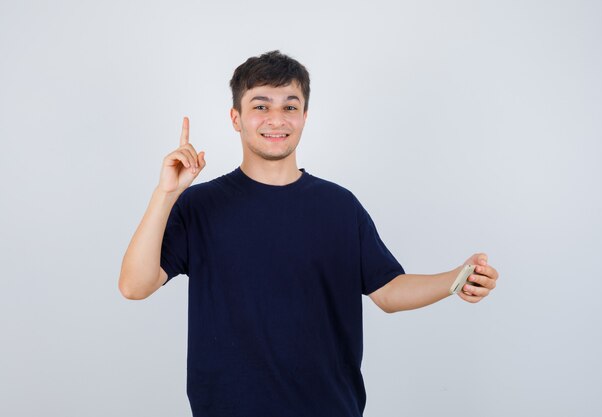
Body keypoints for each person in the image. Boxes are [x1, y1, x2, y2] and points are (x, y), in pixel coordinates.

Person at [118, 50, 499, 417]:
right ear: (236, 118)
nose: (276, 119)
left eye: (290, 106)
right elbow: (135, 286)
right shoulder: (199, 205)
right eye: (261, 106)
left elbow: (388, 290)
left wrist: (455, 279)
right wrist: (165, 194)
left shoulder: (339, 207)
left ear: (305, 116)